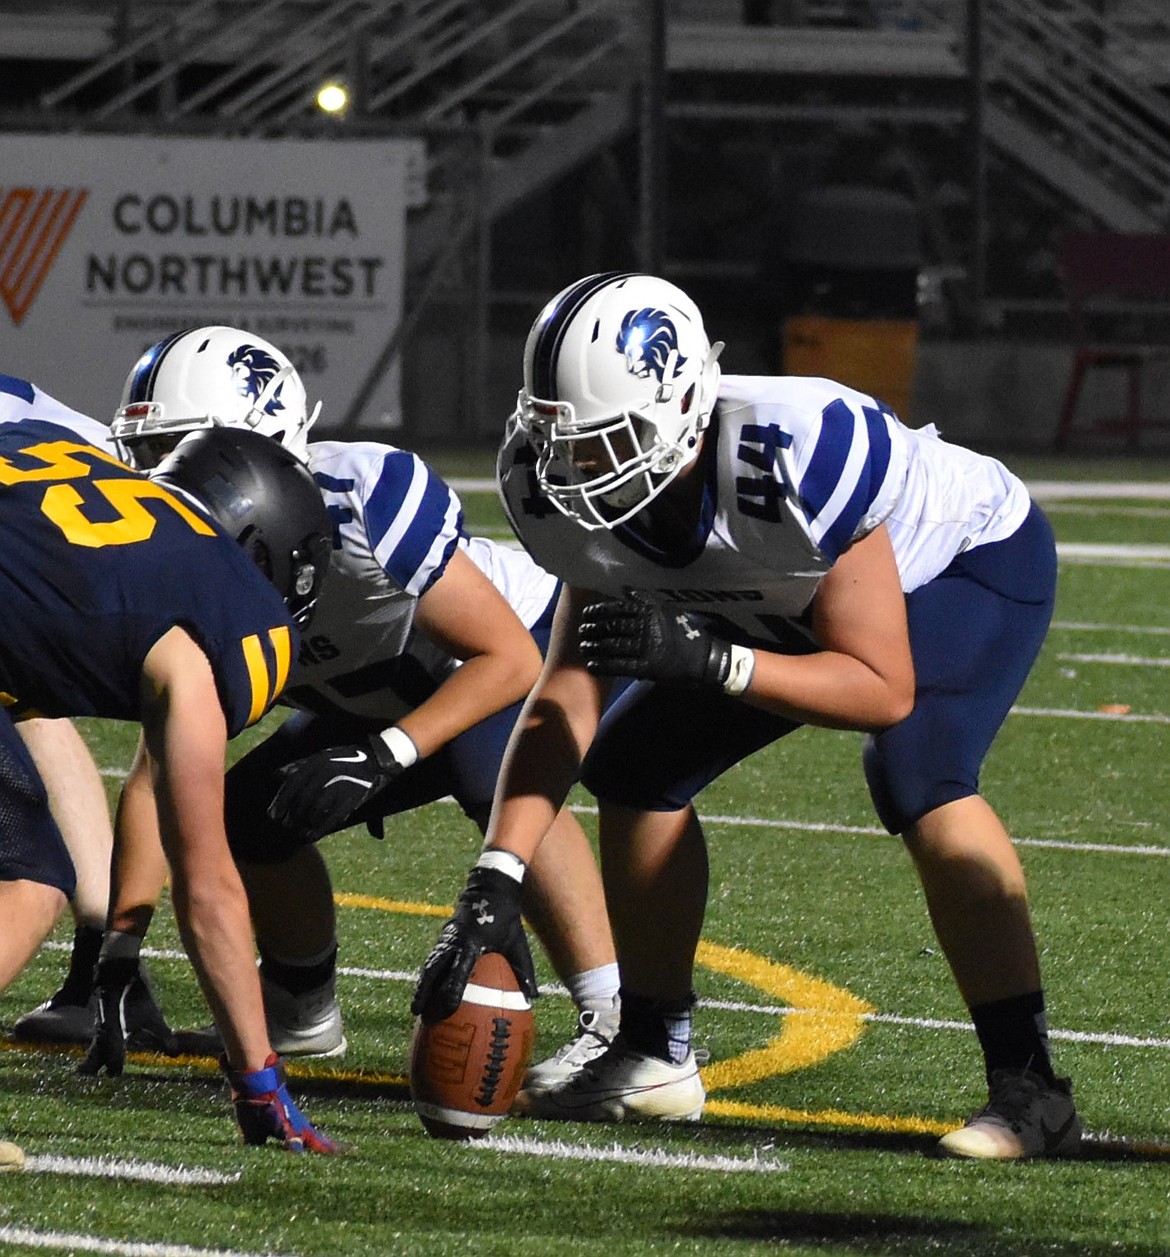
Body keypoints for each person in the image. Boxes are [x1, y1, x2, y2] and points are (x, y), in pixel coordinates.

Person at [412, 271, 1083, 1162]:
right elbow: (567, 687)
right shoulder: (561, 485)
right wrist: (496, 871)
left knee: (917, 769)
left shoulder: (795, 448)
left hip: (956, 567)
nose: (583, 472)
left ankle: (1032, 1089)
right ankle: (654, 1048)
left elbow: (878, 684)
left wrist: (711, 660)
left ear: (687, 398)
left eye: (611, 442)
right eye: (566, 444)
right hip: (771, 604)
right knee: (633, 768)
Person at [79, 326, 621, 1082]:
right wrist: (118, 953)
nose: (152, 482)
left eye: (172, 453)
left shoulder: (362, 499)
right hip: (374, 688)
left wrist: (385, 753)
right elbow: (160, 768)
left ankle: (612, 1020)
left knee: (484, 763)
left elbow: (510, 660)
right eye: (143, 456)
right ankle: (300, 1005)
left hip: (509, 645)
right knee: (249, 813)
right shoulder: (184, 566)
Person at [0, 381, 338, 1155]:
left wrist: (119, 942)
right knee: (26, 881)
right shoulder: (236, 616)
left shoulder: (109, 485)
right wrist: (258, 1080)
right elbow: (210, 883)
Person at [0, 376, 172, 1051]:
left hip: (94, 551)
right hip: (92, 542)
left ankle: (106, 961)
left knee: (31, 876)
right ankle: (104, 965)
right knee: (25, 695)